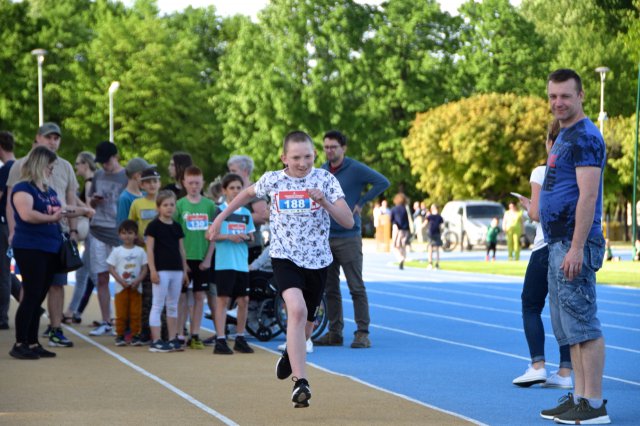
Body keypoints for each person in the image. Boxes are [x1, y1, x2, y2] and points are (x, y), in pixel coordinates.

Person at [207, 131, 354, 408]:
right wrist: (220, 219)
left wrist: (324, 201)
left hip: (318, 261)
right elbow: (244, 195)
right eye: (296, 157)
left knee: (307, 326)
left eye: (308, 156)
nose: (302, 163)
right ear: (284, 157)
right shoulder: (273, 179)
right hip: (285, 258)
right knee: (295, 310)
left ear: (315, 155)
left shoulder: (325, 180)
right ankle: (301, 382)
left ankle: (290, 353)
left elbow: (347, 221)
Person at [539, 69, 609, 424]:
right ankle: (581, 396)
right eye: (553, 96)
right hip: (558, 243)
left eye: (565, 96)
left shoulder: (585, 137)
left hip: (574, 242)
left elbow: (589, 194)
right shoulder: (565, 135)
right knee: (569, 329)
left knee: (583, 325)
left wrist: (577, 247)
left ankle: (594, 405)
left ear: (581, 96)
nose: (558, 103)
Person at [6, 123, 85, 348]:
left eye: (56, 138)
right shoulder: (24, 185)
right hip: (30, 244)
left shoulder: (49, 188)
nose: (52, 170)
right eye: (49, 137)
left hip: (51, 244)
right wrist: (14, 230)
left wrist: (80, 216)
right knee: (31, 294)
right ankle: (22, 343)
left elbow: (65, 205)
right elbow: (26, 213)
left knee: (41, 292)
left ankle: (36, 340)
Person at [314, 130, 389, 349]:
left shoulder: (355, 169)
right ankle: (334, 332)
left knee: (356, 287)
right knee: (330, 289)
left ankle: (362, 333)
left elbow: (382, 182)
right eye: (326, 147)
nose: (329, 151)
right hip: (326, 236)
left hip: (348, 236)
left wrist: (362, 201)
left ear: (343, 148)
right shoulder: (322, 171)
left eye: (333, 147)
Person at [512, 119, 573, 390]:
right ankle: (565, 372)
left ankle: (537, 365)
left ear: (550, 143)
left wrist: (527, 206)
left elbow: (537, 214)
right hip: (570, 245)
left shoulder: (541, 170)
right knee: (563, 310)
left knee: (530, 304)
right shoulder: (577, 172)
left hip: (544, 246)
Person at [210, 173, 256, 355]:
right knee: (223, 300)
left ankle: (239, 337)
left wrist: (247, 237)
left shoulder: (245, 213)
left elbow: (252, 236)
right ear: (224, 190)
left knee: (244, 300)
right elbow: (210, 235)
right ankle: (220, 339)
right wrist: (229, 236)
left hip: (242, 263)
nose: (236, 191)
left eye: (239, 188)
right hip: (224, 263)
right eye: (232, 188)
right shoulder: (219, 209)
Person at [88, 141, 128, 337]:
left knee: (122, 277)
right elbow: (90, 201)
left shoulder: (125, 176)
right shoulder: (98, 175)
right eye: (102, 162)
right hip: (98, 229)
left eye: (107, 161)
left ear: (116, 156)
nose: (105, 165)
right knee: (101, 276)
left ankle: (123, 320)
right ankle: (106, 320)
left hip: (118, 231)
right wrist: (94, 200)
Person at [174, 166, 216, 350]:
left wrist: (208, 258)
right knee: (182, 297)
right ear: (184, 183)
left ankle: (195, 333)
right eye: (190, 183)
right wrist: (182, 263)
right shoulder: (179, 205)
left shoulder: (209, 205)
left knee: (199, 296)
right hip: (185, 257)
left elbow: (213, 234)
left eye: (197, 183)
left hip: (202, 257)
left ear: (203, 183)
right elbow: (175, 235)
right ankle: (179, 333)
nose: (193, 186)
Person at [145, 190, 189, 352]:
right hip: (161, 270)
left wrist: (184, 271)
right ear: (158, 208)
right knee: (157, 304)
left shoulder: (177, 227)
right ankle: (156, 340)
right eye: (165, 205)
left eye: (172, 204)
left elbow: (181, 250)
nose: (169, 208)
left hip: (176, 270)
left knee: (172, 305)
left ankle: (172, 338)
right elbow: (149, 249)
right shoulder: (153, 226)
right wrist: (152, 270)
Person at [63, 151, 98, 324]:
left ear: (85, 164)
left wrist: (74, 197)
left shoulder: (91, 183)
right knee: (84, 273)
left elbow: (91, 210)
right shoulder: (90, 182)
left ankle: (111, 316)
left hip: (93, 233)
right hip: (92, 233)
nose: (76, 166)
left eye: (78, 163)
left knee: (90, 274)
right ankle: (73, 310)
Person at [107, 220, 148, 346]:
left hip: (136, 287)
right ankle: (120, 335)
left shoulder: (140, 251)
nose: (127, 236)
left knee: (136, 313)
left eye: (130, 233)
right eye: (124, 233)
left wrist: (138, 280)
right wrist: (121, 281)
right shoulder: (116, 251)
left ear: (136, 235)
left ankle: (135, 334)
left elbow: (144, 269)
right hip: (121, 288)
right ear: (119, 235)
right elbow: (111, 268)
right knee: (121, 313)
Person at [227, 155, 269, 262]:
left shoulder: (255, 191)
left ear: (245, 172)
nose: (230, 174)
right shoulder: (230, 190)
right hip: (230, 245)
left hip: (250, 246)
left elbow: (262, 216)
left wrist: (233, 216)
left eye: (233, 171)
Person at [0, 131, 22, 330]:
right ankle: (25, 301)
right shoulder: (19, 166)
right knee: (5, 269)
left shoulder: (6, 169)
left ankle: (2, 316)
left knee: (3, 271)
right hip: (12, 223)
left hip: (4, 223)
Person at [116, 157, 152, 227]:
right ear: (137, 176)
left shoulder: (146, 194)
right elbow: (123, 227)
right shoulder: (125, 198)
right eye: (146, 174)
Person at [390, 193, 411, 270]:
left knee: (395, 246)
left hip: (397, 228)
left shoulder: (394, 209)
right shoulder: (405, 209)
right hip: (405, 229)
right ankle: (403, 259)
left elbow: (391, 220)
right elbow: (407, 220)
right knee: (403, 245)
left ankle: (400, 258)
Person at [424, 204, 444, 270]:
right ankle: (437, 264)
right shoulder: (439, 217)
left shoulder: (429, 216)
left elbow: (425, 223)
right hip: (437, 233)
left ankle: (430, 264)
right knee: (437, 249)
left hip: (430, 233)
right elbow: (442, 227)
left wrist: (419, 229)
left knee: (430, 249)